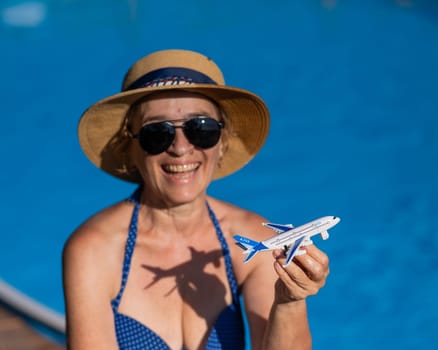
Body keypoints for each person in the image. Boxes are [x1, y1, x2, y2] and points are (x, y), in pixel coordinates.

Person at [62, 49, 330, 350]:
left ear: (222, 142)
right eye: (157, 133)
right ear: (130, 148)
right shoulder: (96, 249)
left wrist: (290, 302)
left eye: (201, 129)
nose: (180, 148)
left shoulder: (253, 237)